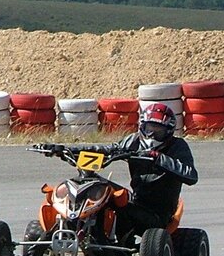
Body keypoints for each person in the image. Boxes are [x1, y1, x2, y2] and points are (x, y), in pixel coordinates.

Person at [40, 102, 198, 245]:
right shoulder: (134, 141)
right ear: (142, 127)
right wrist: (63, 149)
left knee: (120, 203)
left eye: (158, 131)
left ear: (169, 131)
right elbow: (107, 150)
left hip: (159, 214)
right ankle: (68, 230)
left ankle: (121, 244)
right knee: (96, 185)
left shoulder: (178, 146)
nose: (152, 135)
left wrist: (159, 158)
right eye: (149, 129)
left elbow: (191, 176)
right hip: (136, 202)